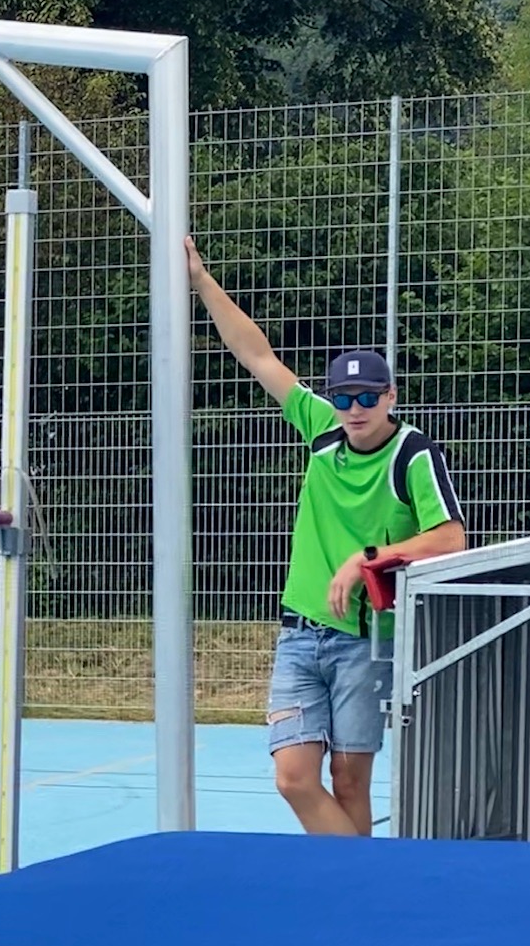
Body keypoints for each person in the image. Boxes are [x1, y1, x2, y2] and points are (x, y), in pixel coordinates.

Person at [185, 237, 467, 835]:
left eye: (367, 397)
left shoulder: (412, 454)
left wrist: (367, 558)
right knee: (293, 777)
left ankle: (354, 881)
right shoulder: (321, 430)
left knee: (349, 780)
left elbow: (450, 539)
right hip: (300, 631)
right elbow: (256, 355)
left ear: (390, 397)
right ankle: (366, 873)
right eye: (344, 397)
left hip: (365, 641)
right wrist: (202, 281)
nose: (355, 408)